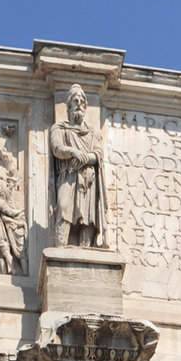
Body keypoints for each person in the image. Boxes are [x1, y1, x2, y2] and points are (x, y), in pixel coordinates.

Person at [50, 84, 107, 246]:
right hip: (68, 175)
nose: (79, 103)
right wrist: (73, 152)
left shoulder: (94, 133)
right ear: (68, 106)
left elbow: (98, 154)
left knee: (88, 217)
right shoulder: (59, 128)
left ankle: (85, 249)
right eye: (75, 100)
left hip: (88, 178)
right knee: (63, 207)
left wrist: (86, 157)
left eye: (82, 101)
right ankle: (60, 247)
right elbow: (57, 148)